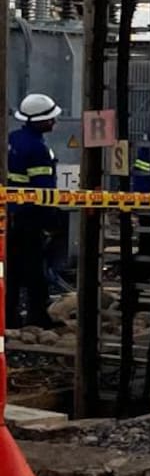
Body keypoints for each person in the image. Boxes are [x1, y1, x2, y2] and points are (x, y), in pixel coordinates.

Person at [7, 92, 61, 329]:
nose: (53, 122)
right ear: (38, 121)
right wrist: (51, 220)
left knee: (11, 270)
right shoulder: (38, 149)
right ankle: (37, 315)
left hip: (9, 215)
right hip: (30, 217)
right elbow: (44, 190)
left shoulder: (12, 139)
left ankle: (9, 316)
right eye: (50, 118)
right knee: (35, 269)